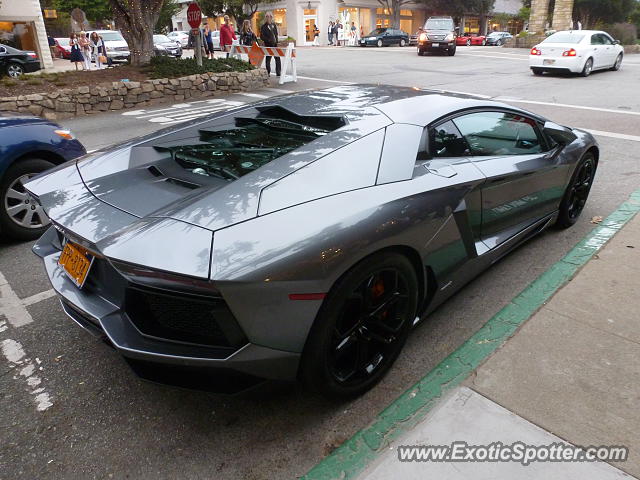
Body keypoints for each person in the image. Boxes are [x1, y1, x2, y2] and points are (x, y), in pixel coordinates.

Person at [260, 12, 280, 76]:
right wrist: (268, 40)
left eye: (270, 16)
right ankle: (268, 72)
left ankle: (278, 72)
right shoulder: (263, 27)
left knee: (277, 58)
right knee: (268, 59)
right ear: (265, 18)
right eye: (267, 16)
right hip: (268, 45)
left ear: (272, 17)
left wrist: (276, 41)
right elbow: (262, 36)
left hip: (275, 45)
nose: (269, 18)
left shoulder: (274, 25)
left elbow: (276, 34)